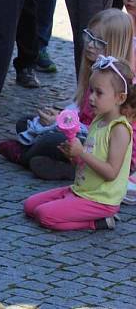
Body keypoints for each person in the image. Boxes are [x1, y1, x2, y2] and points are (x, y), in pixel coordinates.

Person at [0, 8, 133, 180]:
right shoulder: (94, 72)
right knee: (25, 122)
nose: (90, 44)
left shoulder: (118, 85)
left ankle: (24, 155)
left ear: (114, 45)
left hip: (103, 148)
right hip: (83, 134)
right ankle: (58, 162)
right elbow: (80, 112)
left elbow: (100, 130)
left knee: (52, 140)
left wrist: (60, 124)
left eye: (99, 42)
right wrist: (62, 117)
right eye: (89, 37)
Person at [24, 56, 134, 231]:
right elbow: (88, 162)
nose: (91, 98)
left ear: (120, 98)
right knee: (30, 206)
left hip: (101, 200)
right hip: (81, 190)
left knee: (44, 215)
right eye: (91, 90)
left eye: (99, 93)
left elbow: (111, 173)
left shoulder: (119, 129)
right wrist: (74, 156)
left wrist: (82, 153)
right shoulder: (98, 120)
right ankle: (74, 208)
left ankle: (98, 222)